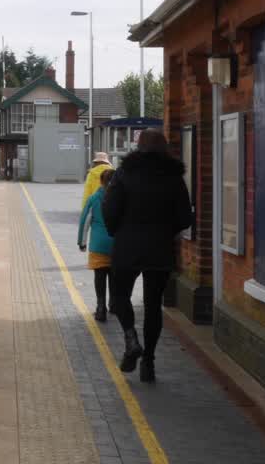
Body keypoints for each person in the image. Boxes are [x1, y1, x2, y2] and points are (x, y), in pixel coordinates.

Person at [102, 128, 193, 383]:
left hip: (127, 246)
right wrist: (166, 231)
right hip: (160, 249)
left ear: (138, 148)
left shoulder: (124, 173)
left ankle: (131, 339)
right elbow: (185, 217)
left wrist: (117, 232)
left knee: (120, 295)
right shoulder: (174, 178)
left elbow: (109, 208)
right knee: (154, 305)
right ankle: (149, 363)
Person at [78, 168, 115, 322]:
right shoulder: (120, 198)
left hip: (98, 244)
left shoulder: (93, 198)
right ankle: (114, 304)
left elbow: (85, 221)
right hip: (116, 245)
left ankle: (101, 308)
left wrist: (82, 242)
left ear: (100, 181)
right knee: (114, 276)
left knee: (100, 276)